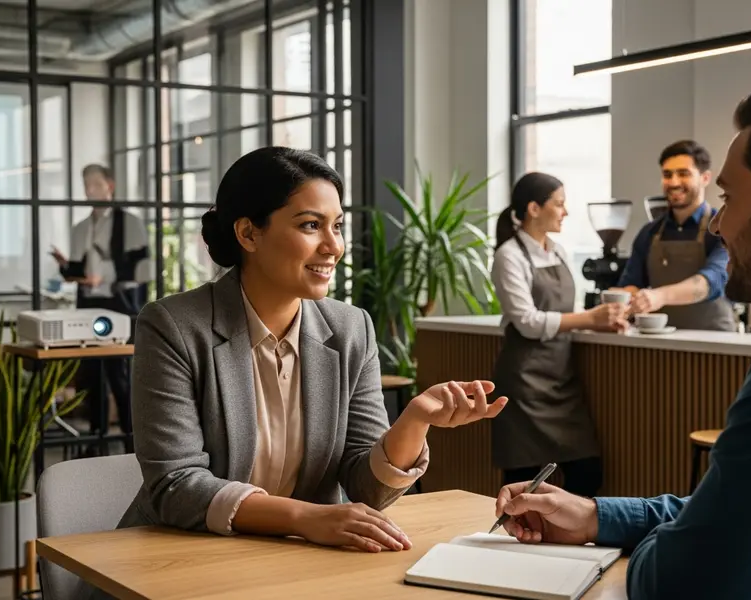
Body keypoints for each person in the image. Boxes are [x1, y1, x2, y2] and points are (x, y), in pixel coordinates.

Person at [74, 146, 509, 598]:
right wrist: (307, 517)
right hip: (183, 560)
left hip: (298, 564)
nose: (334, 246)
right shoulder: (174, 326)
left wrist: (414, 421)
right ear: (248, 233)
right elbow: (176, 485)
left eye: (337, 226)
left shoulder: (350, 327)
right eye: (310, 225)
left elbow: (366, 489)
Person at [493, 74, 751, 599]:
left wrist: (652, 549)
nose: (717, 225)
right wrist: (596, 517)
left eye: (728, 198)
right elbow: (740, 513)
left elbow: (684, 579)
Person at [489, 173, 626, 498]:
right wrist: (589, 317)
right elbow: (526, 321)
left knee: (588, 471)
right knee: (524, 482)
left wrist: (599, 323)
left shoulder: (560, 251)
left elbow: (569, 311)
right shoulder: (509, 255)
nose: (565, 212)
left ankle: (562, 539)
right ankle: (520, 545)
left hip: (562, 381)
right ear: (534, 208)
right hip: (524, 384)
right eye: (560, 204)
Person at [49, 164, 150, 444]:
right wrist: (65, 267)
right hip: (88, 307)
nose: (89, 189)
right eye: (86, 184)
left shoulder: (129, 223)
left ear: (110, 185)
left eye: (95, 183)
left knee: (120, 375)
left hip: (119, 305)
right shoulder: (79, 228)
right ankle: (96, 440)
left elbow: (141, 269)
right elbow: (79, 272)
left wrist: (104, 276)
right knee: (91, 375)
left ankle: (133, 442)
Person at [612, 140, 736, 331]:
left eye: (683, 173)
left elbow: (712, 281)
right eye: (667, 175)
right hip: (663, 346)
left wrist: (658, 296)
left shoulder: (722, 227)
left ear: (705, 178)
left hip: (715, 344)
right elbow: (631, 284)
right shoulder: (649, 233)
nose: (674, 182)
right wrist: (620, 297)